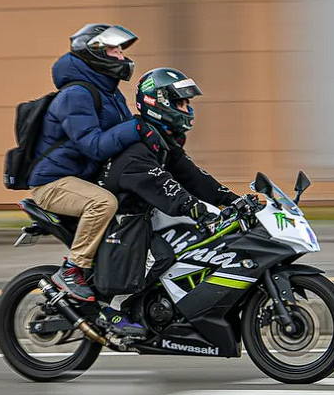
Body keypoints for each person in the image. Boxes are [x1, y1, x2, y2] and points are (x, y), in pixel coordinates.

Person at [94, 67, 242, 337]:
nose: (187, 108)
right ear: (158, 102)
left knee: (201, 236)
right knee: (168, 253)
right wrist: (195, 208)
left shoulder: (162, 143)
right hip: (123, 221)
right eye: (180, 102)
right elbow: (163, 187)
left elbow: (195, 178)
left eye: (187, 102)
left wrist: (232, 201)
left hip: (143, 215)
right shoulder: (136, 149)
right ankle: (113, 309)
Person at [29, 23, 155, 302]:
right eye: (114, 49)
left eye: (121, 50)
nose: (121, 56)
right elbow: (94, 146)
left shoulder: (109, 93)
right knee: (103, 203)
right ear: (94, 52)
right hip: (54, 184)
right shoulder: (76, 95)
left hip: (82, 178)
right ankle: (72, 270)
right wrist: (136, 127)